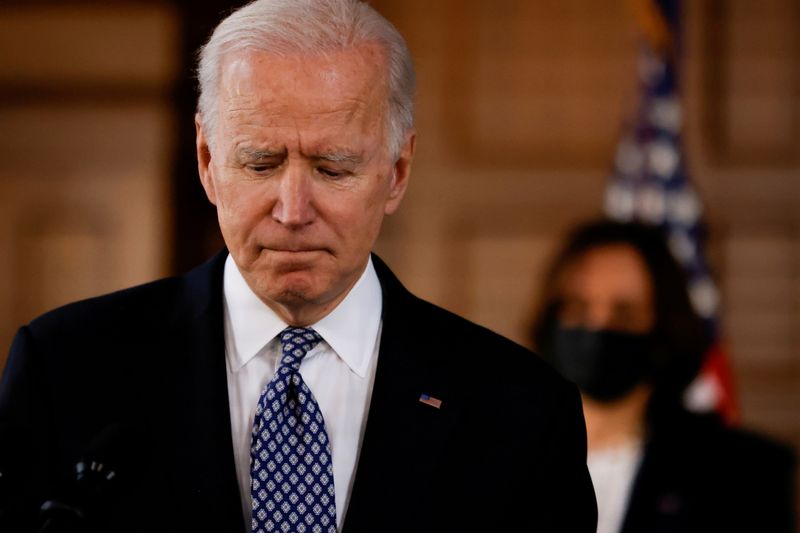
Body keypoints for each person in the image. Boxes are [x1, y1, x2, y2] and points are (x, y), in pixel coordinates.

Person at [0, 1, 597, 532]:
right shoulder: (64, 369)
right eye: (260, 164)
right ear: (208, 161)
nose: (292, 211)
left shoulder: (521, 410)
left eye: (333, 169)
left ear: (397, 171)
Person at [529, 219, 796, 533]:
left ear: (663, 329)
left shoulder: (745, 472)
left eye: (624, 313)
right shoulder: (496, 458)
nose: (597, 327)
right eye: (579, 308)